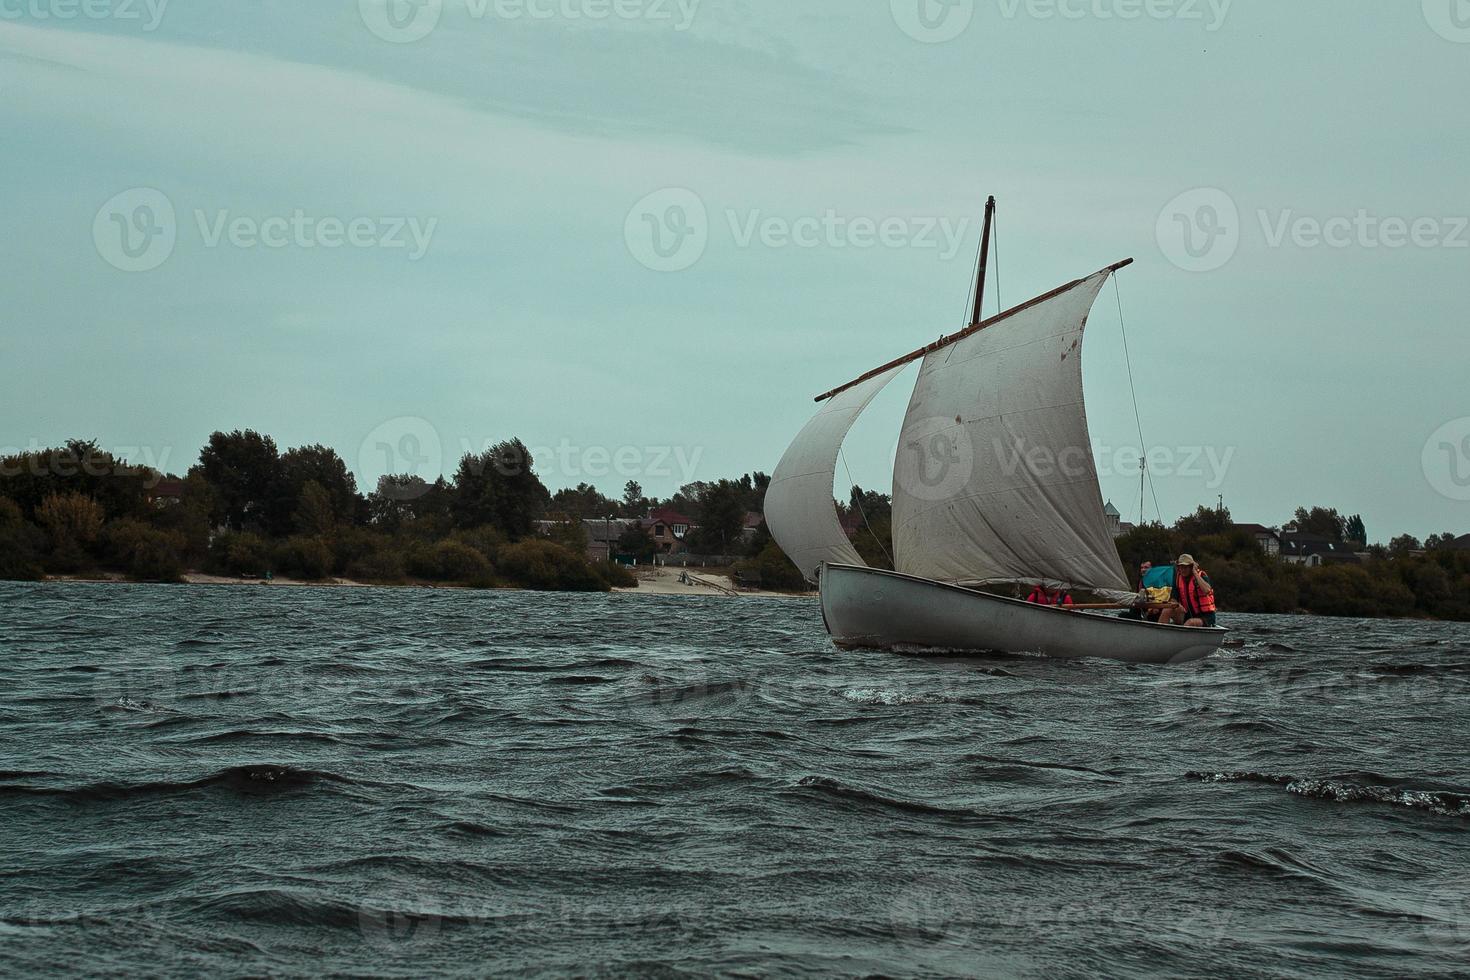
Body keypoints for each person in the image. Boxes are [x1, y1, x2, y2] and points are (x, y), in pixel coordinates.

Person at [1169, 553, 1217, 628]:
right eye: (1181, 567)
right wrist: (1177, 605)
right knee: (1167, 610)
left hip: (1205, 617)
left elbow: (1207, 590)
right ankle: (1159, 635)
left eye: (1186, 567)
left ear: (1191, 567)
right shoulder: (1177, 579)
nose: (1183, 570)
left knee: (1190, 623)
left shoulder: (1201, 576)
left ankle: (1180, 638)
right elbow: (1173, 598)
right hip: (1187, 615)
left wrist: (1195, 573)